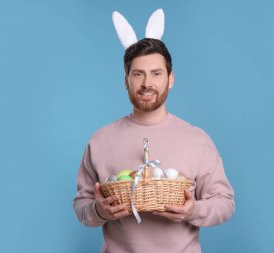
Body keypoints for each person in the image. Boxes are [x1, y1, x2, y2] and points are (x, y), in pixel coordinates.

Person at [73, 9, 234, 253]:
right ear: (126, 80)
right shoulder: (100, 140)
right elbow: (81, 206)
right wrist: (98, 211)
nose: (147, 83)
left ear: (170, 79)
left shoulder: (197, 140)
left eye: (156, 73)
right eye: (138, 74)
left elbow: (225, 203)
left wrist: (193, 211)